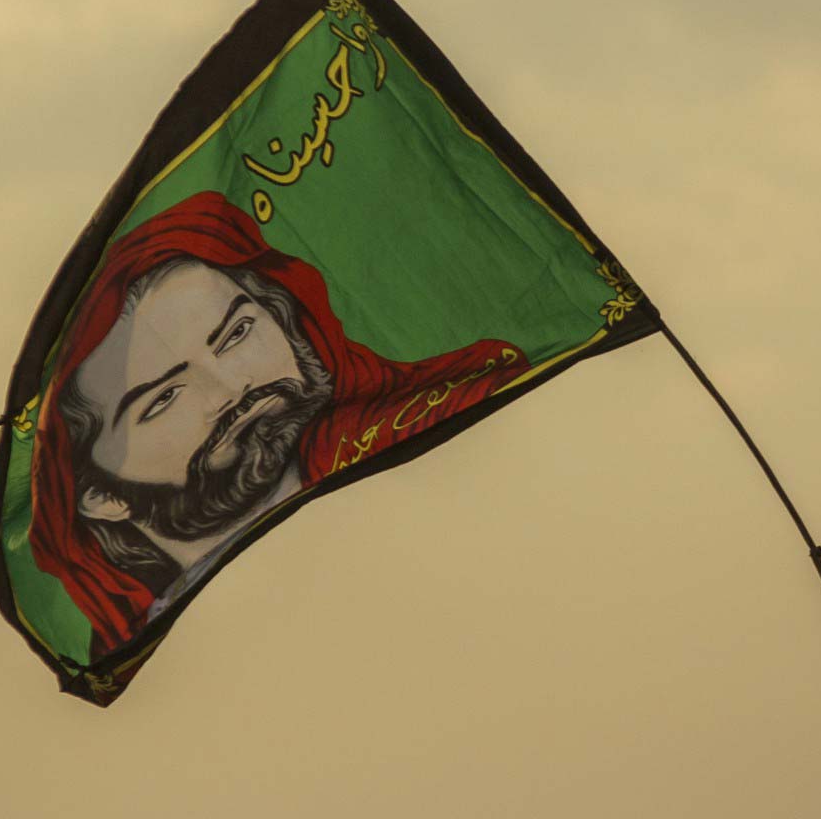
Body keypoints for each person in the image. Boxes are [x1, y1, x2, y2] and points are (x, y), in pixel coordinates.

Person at [30, 194, 523, 654]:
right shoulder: (188, 650)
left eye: (236, 334)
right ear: (100, 496)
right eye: (163, 399)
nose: (230, 390)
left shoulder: (458, 436)